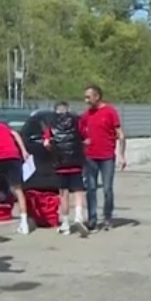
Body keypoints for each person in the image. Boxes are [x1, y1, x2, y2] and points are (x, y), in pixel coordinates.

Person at [80, 84, 126, 231]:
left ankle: (107, 217)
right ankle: (92, 219)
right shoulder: (86, 115)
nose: (86, 100)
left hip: (107, 157)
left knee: (107, 189)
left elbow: (121, 134)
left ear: (97, 96)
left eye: (88, 97)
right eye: (85, 97)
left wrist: (121, 155)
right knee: (91, 188)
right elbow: (79, 132)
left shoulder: (110, 112)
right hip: (90, 157)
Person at [43, 101, 89, 237]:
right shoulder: (77, 120)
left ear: (55, 110)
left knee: (64, 194)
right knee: (79, 191)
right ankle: (79, 217)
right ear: (68, 109)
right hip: (76, 162)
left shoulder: (50, 123)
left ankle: (65, 225)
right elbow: (86, 139)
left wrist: (52, 150)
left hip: (60, 164)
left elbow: (46, 143)